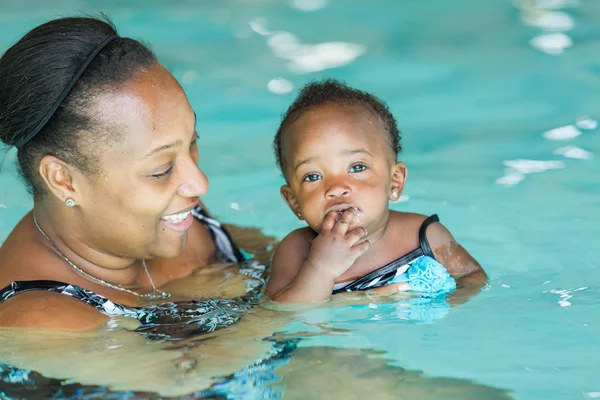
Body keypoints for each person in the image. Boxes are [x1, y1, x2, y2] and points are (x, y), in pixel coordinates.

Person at [0, 16, 273, 330]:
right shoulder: (40, 321)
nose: (198, 183)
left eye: (192, 143)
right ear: (64, 180)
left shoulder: (175, 215)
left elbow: (277, 257)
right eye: (160, 170)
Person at [266, 79, 487, 303]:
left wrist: (440, 307)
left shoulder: (423, 237)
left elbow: (474, 278)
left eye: (357, 167)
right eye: (313, 176)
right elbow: (276, 313)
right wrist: (320, 268)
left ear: (394, 182)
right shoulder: (297, 251)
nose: (336, 188)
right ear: (294, 202)